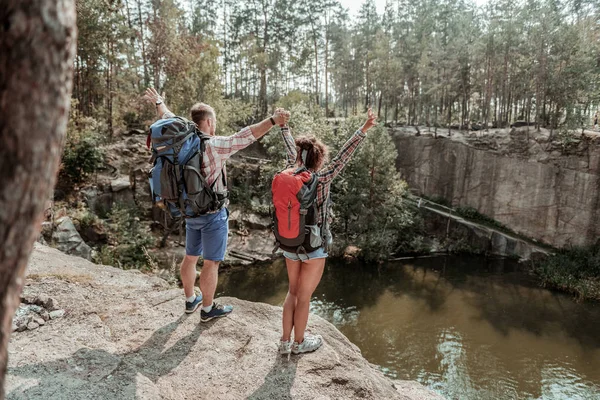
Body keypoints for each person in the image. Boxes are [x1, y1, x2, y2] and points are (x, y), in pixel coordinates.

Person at [144, 88, 290, 322]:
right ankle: (208, 309)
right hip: (212, 214)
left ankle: (191, 299)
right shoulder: (213, 145)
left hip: (189, 212)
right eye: (215, 122)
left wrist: (159, 101)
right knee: (211, 262)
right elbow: (246, 136)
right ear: (209, 122)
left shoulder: (181, 141)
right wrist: (273, 120)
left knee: (190, 256)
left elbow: (167, 115)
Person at [277, 108, 378, 355]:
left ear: (299, 156)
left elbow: (292, 149)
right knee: (305, 296)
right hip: (313, 247)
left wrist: (283, 127)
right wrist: (363, 130)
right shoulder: (322, 178)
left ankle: (284, 342)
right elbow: (343, 156)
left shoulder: (290, 171)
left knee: (292, 292)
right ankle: (300, 343)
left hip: (289, 243)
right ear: (317, 158)